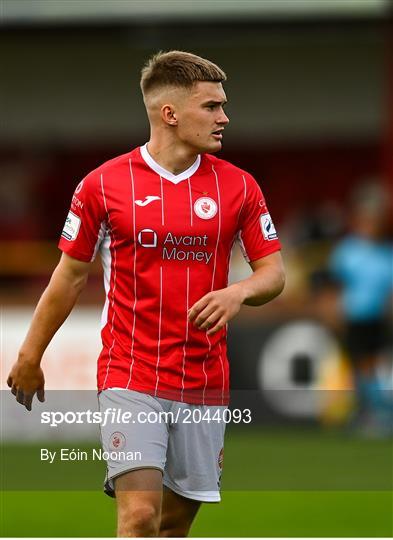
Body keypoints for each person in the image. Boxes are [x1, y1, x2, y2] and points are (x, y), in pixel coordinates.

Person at [7, 51, 285, 537]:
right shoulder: (102, 185)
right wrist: (30, 354)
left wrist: (238, 293)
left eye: (223, 106)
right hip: (130, 374)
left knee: (173, 525)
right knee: (138, 517)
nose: (225, 118)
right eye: (212, 107)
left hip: (204, 379)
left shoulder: (239, 187)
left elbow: (274, 274)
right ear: (170, 113)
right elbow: (68, 277)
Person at [330, 183, 393, 436]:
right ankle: (367, 411)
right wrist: (334, 314)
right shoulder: (347, 251)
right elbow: (334, 287)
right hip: (354, 318)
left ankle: (376, 412)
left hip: (378, 319)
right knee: (359, 366)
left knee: (372, 366)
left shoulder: (386, 252)